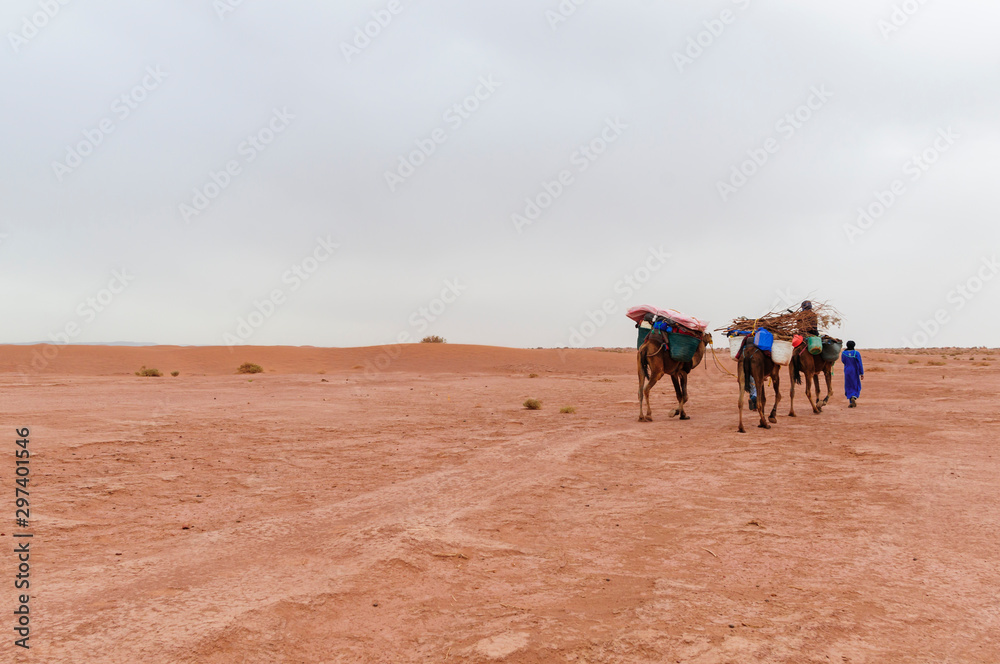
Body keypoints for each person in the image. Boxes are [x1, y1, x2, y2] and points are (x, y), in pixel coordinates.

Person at [841, 340, 864, 407]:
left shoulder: (844, 353)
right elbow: (860, 363)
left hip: (847, 370)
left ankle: (851, 400)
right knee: (855, 384)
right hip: (855, 370)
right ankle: (854, 396)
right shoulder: (856, 353)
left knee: (848, 385)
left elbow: (843, 361)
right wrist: (861, 373)